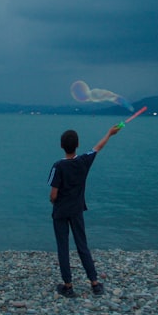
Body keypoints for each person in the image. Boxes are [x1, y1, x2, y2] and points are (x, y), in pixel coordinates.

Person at [47, 124, 120, 298]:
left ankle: (68, 286)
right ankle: (94, 283)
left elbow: (53, 194)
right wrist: (109, 133)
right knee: (82, 245)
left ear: (61, 146)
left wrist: (53, 201)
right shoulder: (83, 162)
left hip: (60, 212)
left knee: (63, 248)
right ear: (77, 145)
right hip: (77, 210)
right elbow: (98, 147)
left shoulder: (58, 166)